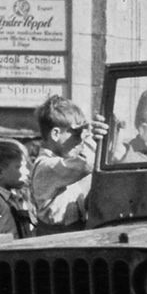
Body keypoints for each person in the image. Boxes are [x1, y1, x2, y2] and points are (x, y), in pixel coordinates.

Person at [32, 96, 109, 235]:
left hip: (72, 237)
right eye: (76, 133)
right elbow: (86, 164)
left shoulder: (67, 167)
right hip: (54, 243)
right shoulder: (46, 167)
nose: (80, 140)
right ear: (55, 134)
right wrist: (92, 139)